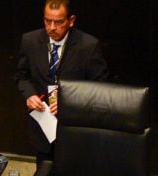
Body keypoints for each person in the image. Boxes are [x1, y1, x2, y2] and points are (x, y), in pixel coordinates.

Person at [15, 0, 109, 163]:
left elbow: (100, 89)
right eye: (47, 21)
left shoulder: (88, 46)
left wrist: (69, 102)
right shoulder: (29, 41)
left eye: (58, 22)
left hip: (75, 128)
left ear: (71, 21)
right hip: (43, 125)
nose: (52, 27)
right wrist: (29, 95)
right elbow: (22, 76)